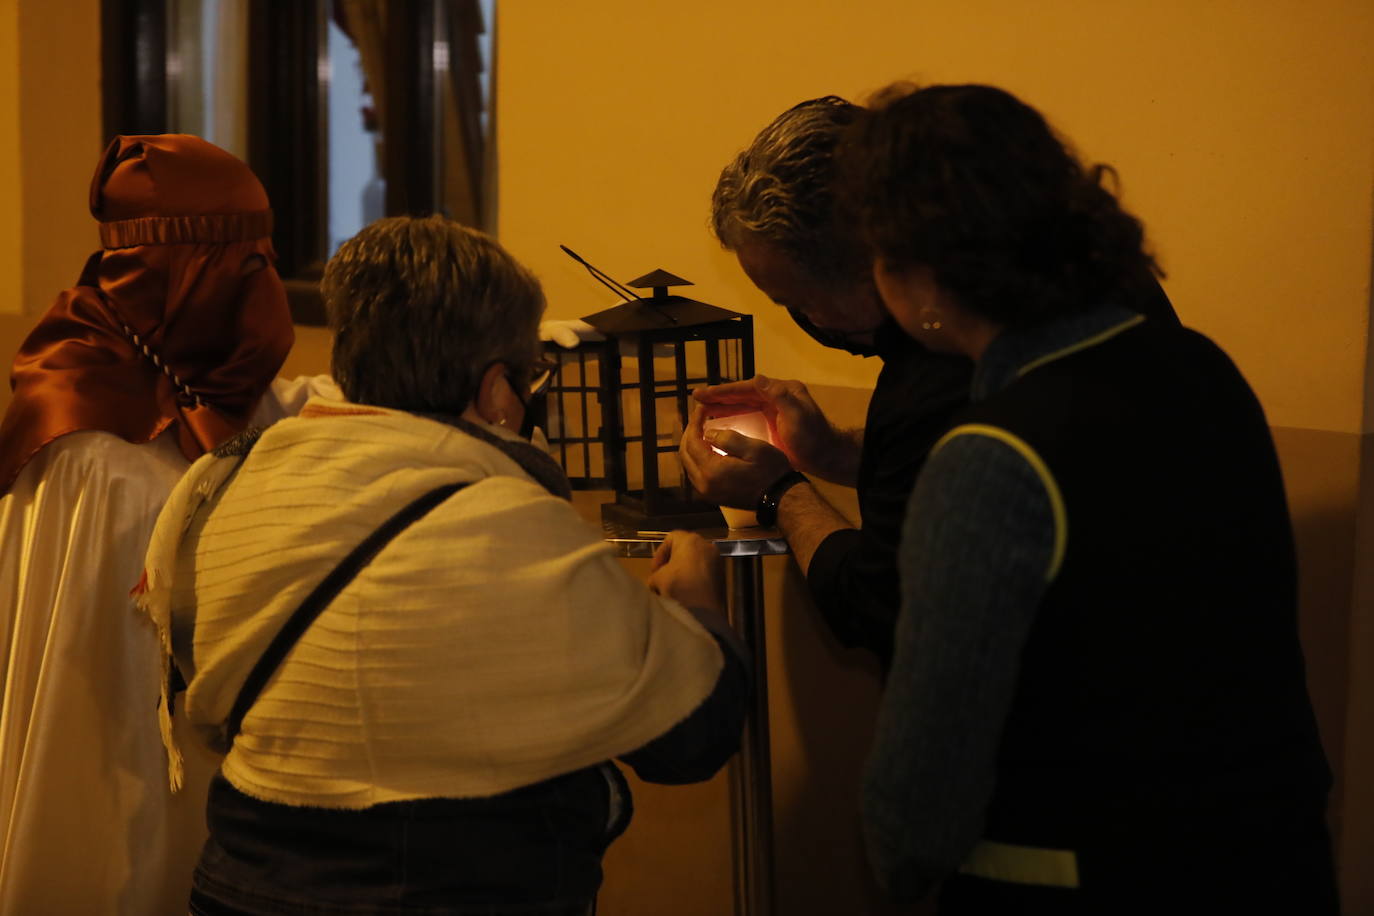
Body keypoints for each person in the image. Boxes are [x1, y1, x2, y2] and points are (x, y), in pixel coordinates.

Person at [137, 215, 749, 915]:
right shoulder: (506, 526)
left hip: (241, 884)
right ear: (495, 394)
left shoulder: (229, 487)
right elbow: (692, 736)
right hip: (444, 890)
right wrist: (698, 606)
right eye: (529, 380)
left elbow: (208, 704)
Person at [837, 83, 1336, 912]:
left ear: (917, 281)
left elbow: (926, 778)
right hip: (1272, 860)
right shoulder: (1199, 368)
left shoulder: (990, 457)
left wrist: (899, 859)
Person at [691, 97, 1176, 670]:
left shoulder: (944, 368)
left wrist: (779, 494)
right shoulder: (1138, 317)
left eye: (797, 300)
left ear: (875, 258)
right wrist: (835, 452)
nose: (808, 320)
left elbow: (881, 611)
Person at [0, 134, 333, 914]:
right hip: (127, 774)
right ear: (189, 277)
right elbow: (105, 711)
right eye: (249, 264)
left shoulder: (190, 370)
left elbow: (287, 411)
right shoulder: (94, 448)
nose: (268, 287)